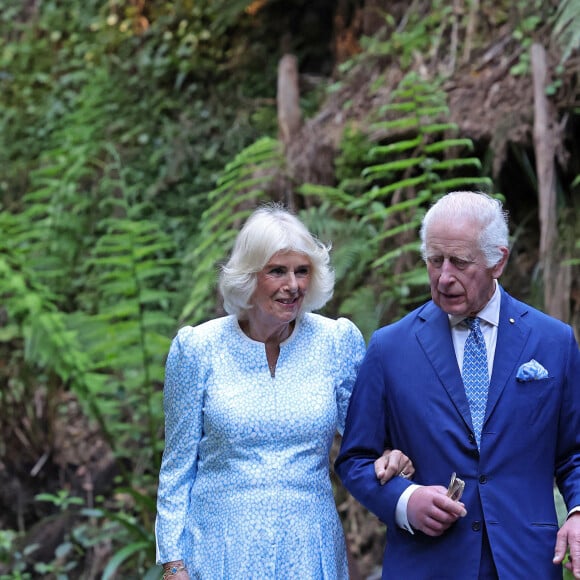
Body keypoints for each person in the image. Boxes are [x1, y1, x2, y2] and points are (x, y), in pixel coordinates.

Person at [154, 203, 414, 579]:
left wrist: (389, 455)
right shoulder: (198, 349)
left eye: (302, 271)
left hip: (309, 547)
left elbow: (364, 439)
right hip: (219, 549)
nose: (292, 285)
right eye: (277, 271)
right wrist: (174, 564)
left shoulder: (336, 342)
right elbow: (177, 467)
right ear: (249, 276)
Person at [335, 191, 580, 579]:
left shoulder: (554, 342)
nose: (444, 277)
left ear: (498, 260)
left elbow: (574, 452)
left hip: (526, 563)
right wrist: (404, 500)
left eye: (460, 263)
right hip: (427, 563)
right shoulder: (389, 347)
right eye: (435, 260)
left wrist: (578, 511)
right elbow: (356, 459)